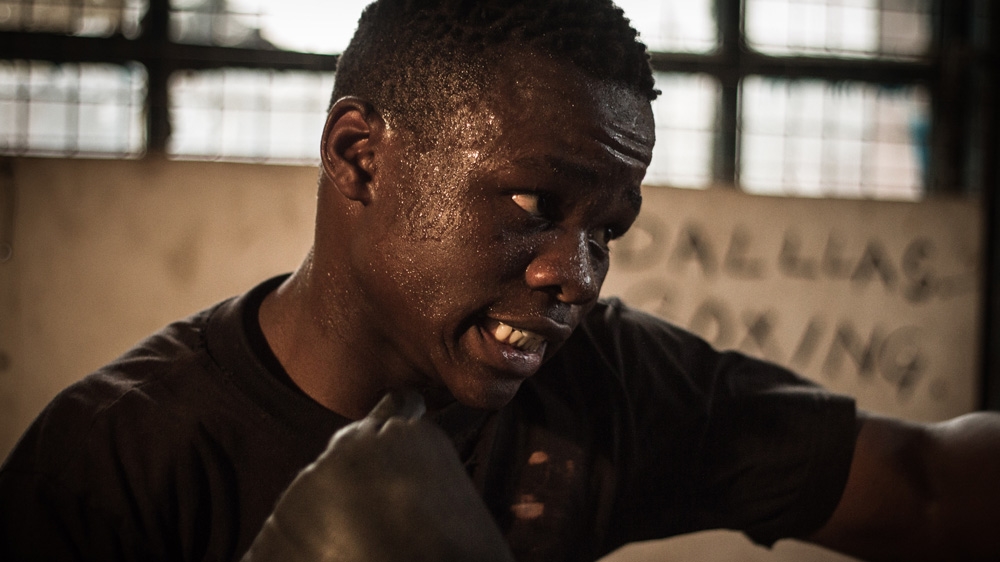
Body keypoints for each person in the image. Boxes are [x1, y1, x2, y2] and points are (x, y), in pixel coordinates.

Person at [2, 0, 999, 561]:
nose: (577, 275)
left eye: (606, 228)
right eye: (531, 206)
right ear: (359, 157)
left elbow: (925, 493)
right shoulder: (118, 461)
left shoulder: (600, 383)